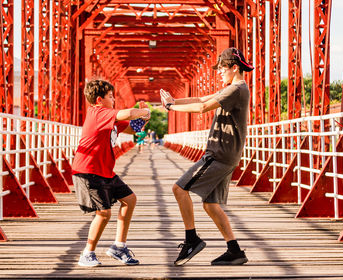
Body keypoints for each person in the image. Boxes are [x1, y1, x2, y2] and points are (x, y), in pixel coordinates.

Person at [160, 47, 254, 266]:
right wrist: (174, 101)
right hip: (227, 155)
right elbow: (201, 97)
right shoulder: (232, 88)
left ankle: (191, 240)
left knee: (179, 189)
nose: (219, 73)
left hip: (219, 154)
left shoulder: (235, 90)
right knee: (211, 205)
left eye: (222, 68)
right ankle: (235, 251)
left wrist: (172, 108)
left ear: (234, 67)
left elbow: (202, 107)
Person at [72, 79, 150, 267]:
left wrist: (144, 119)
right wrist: (144, 111)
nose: (114, 99)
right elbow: (130, 113)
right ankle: (87, 253)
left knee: (130, 200)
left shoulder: (110, 119)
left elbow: (134, 128)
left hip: (104, 170)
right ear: (99, 100)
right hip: (88, 170)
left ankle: (119, 247)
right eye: (110, 96)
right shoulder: (98, 112)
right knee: (104, 213)